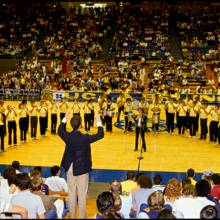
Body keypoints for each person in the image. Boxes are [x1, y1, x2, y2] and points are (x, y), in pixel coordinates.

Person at [58, 112, 104, 218]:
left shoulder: (67, 136)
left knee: (71, 193)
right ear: (80, 125)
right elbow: (100, 135)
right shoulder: (85, 138)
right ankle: (82, 217)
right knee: (82, 194)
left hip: (70, 168)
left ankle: (72, 216)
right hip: (82, 169)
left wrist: (65, 118)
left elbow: (60, 131)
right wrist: (98, 120)